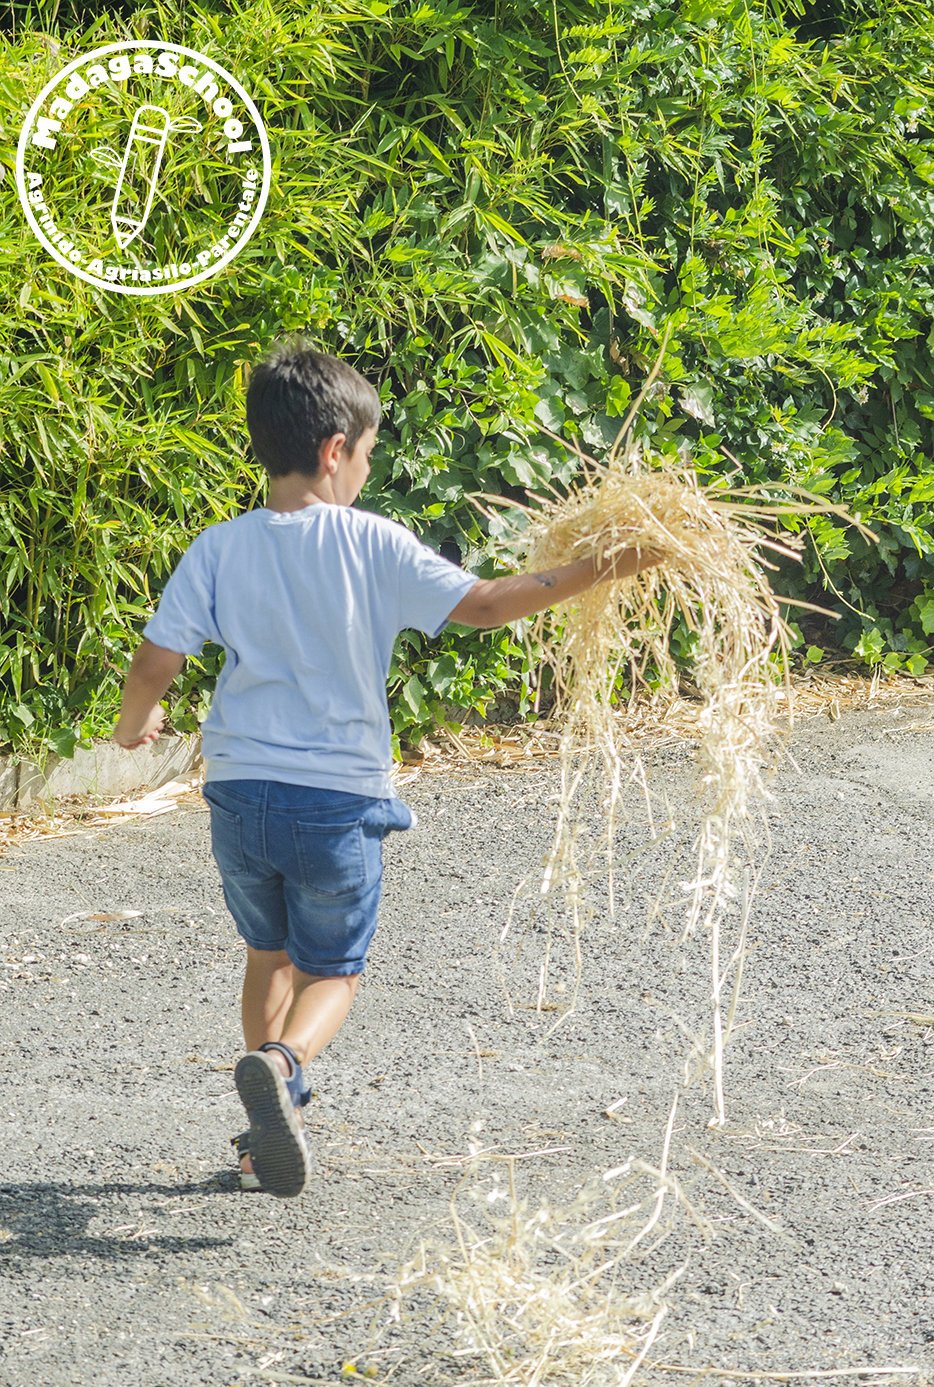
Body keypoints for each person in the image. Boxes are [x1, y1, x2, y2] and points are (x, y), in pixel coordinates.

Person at [113, 340, 658, 1198]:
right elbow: (486, 605)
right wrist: (604, 565)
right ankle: (282, 1063)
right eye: (368, 453)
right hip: (337, 800)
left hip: (240, 795)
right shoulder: (372, 542)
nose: (368, 469)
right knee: (334, 970)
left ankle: (263, 1132)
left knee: (268, 952)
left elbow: (156, 660)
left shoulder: (219, 547)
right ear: (336, 450)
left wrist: (132, 723)